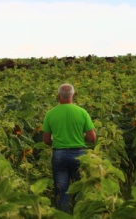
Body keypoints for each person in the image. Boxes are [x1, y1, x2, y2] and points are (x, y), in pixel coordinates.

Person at [43, 83, 96, 213]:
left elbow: (46, 141)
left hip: (59, 155)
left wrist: (56, 140)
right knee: (81, 189)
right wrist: (79, 136)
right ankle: (81, 213)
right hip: (80, 154)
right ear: (73, 95)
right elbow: (92, 138)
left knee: (61, 189)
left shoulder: (50, 114)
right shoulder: (82, 112)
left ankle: (63, 214)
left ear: (58, 96)